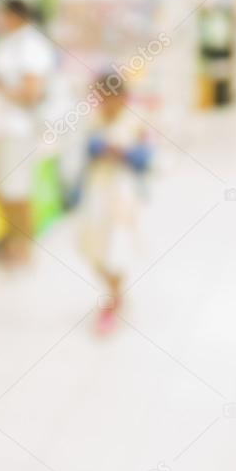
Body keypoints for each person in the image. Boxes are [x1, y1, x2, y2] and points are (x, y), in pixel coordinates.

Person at [77, 74, 151, 334]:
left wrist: (119, 152)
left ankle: (113, 298)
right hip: (98, 189)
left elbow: (143, 159)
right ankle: (114, 293)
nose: (103, 102)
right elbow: (90, 149)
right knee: (92, 245)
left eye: (106, 96)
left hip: (123, 192)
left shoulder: (135, 120)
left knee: (117, 244)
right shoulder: (94, 121)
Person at [0, 0, 56, 266]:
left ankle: (23, 248)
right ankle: (11, 243)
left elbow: (32, 92)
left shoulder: (31, 47)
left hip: (19, 129)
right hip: (2, 127)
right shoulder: (9, 43)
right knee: (5, 191)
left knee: (18, 191)